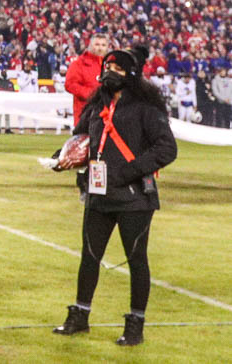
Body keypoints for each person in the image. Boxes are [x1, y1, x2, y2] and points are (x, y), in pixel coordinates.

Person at [53, 46, 177, 347]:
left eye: (118, 69)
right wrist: (62, 157)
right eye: (108, 66)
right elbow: (80, 139)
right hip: (98, 194)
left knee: (137, 261)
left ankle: (136, 323)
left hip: (134, 197)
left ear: (132, 75)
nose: (111, 73)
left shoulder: (146, 108)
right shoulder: (96, 106)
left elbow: (166, 149)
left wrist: (128, 172)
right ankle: (80, 315)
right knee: (89, 257)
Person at [64, 33, 110, 126]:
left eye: (103, 45)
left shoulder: (111, 65)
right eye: (97, 44)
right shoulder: (78, 63)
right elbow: (70, 84)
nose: (100, 48)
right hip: (85, 115)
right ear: (90, 45)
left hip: (107, 117)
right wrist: (92, 95)